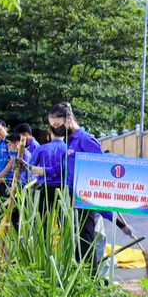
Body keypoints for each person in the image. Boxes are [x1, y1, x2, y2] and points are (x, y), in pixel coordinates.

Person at [47, 103, 109, 267]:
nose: (55, 130)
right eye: (52, 126)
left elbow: (102, 170)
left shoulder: (86, 140)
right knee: (75, 247)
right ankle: (79, 281)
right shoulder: (70, 142)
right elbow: (61, 170)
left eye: (57, 126)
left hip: (85, 202)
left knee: (85, 246)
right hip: (71, 199)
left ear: (69, 119)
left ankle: (92, 286)